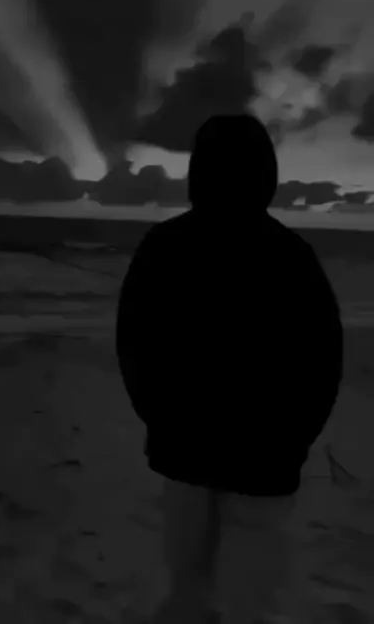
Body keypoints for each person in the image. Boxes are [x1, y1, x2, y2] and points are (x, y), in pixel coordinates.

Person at [116, 114, 343, 624]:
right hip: (261, 460)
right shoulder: (292, 256)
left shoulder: (164, 245)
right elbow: (323, 362)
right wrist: (292, 441)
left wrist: (161, 420)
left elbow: (134, 345)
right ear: (267, 174)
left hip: (189, 450)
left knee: (188, 591)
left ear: (198, 172)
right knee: (247, 601)